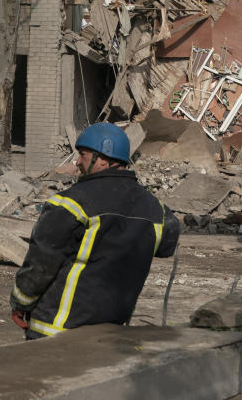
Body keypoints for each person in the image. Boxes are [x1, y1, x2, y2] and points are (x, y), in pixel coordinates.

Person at [10, 122, 180, 339]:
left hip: (56, 332)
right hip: (110, 333)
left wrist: (20, 303)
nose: (77, 162)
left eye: (82, 155)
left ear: (102, 159)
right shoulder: (156, 210)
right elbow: (166, 246)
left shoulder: (69, 203)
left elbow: (41, 264)